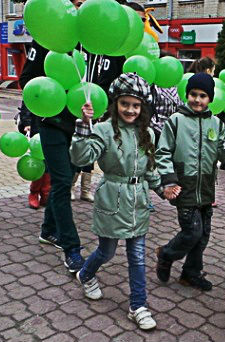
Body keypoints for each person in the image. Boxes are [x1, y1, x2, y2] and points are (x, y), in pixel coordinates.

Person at [70, 73, 175, 330]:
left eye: (136, 105)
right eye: (125, 103)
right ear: (115, 104)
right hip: (112, 198)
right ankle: (85, 273)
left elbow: (150, 168)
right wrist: (85, 125)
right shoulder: (104, 129)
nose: (130, 110)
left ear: (143, 107)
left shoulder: (147, 132)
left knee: (137, 256)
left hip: (138, 202)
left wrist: (163, 189)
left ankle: (138, 306)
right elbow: (82, 156)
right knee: (106, 252)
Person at [155, 72, 225, 291]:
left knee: (203, 235)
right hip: (184, 186)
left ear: (210, 99)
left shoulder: (216, 123)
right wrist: (169, 179)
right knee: (192, 232)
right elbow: (163, 151)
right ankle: (166, 254)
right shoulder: (176, 120)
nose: (197, 99)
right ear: (187, 95)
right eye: (193, 94)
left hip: (205, 188)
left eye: (203, 95)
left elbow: (221, 156)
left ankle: (191, 273)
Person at [18, 0, 88, 272]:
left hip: (83, 125)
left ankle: (48, 230)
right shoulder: (49, 37)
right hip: (52, 122)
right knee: (61, 181)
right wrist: (53, 94)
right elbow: (27, 80)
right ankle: (71, 247)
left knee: (66, 180)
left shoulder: (96, 38)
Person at [17, 102, 51, 210]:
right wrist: (27, 123)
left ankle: (46, 193)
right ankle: (34, 193)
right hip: (36, 128)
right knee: (38, 162)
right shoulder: (35, 87)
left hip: (54, 128)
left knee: (49, 163)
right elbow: (27, 103)